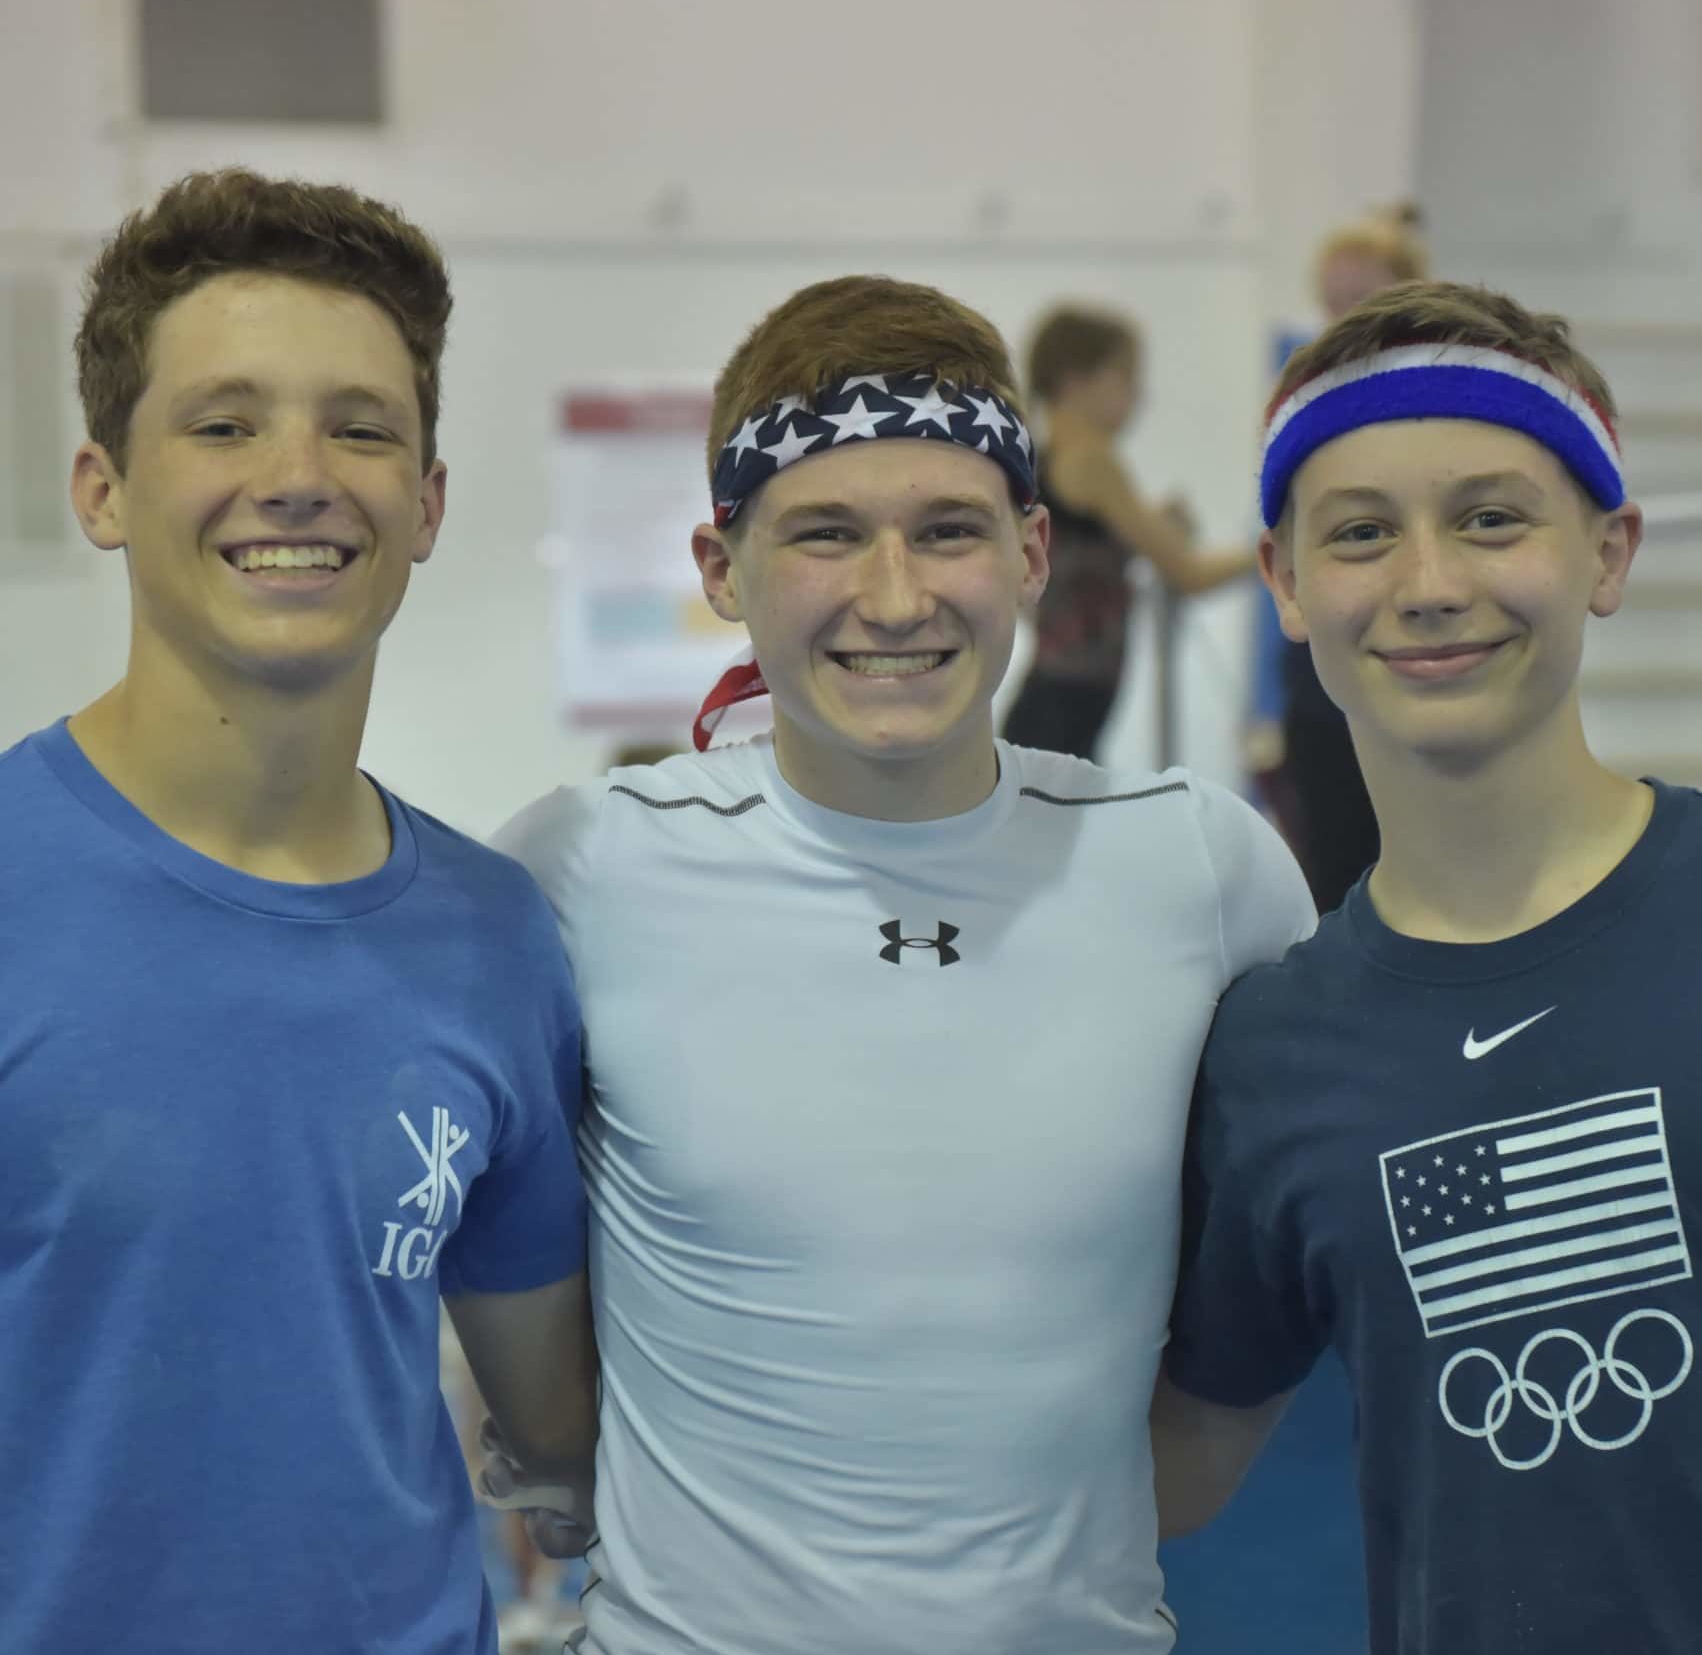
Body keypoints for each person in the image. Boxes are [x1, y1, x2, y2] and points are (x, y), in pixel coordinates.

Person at [484, 274, 1315, 1654]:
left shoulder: (1200, 868)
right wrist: (551, 1458)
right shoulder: (579, 868)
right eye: (825, 533)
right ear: (720, 568)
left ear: (1031, 551)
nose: (893, 596)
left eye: (948, 531)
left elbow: (1304, 1218)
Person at [0, 169, 597, 1654]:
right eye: (224, 424)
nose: (298, 474)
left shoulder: (496, 934)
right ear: (102, 489)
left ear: (427, 503)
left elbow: (561, 1429)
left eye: (361, 428)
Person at [1154, 282, 1701, 1654]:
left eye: (1490, 517)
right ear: (1284, 582)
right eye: (1359, 533)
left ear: (1607, 550)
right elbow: (1176, 1466)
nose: (1429, 583)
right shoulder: (1276, 1046)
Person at [1247, 206, 1429, 910]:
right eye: (1332, 300)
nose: (1343, 316)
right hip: (1325, 666)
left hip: (1416, 646)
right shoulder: (1301, 400)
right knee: (1333, 855)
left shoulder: (1442, 397)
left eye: (1363, 297)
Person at [1000, 305, 1252, 761]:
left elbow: (1083, 552)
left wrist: (1153, 521)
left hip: (1059, 694)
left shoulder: (1045, 457)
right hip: (1063, 703)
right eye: (1126, 378)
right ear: (1075, 381)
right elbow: (1190, 574)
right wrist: (1280, 547)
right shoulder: (1092, 460)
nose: (1139, 395)